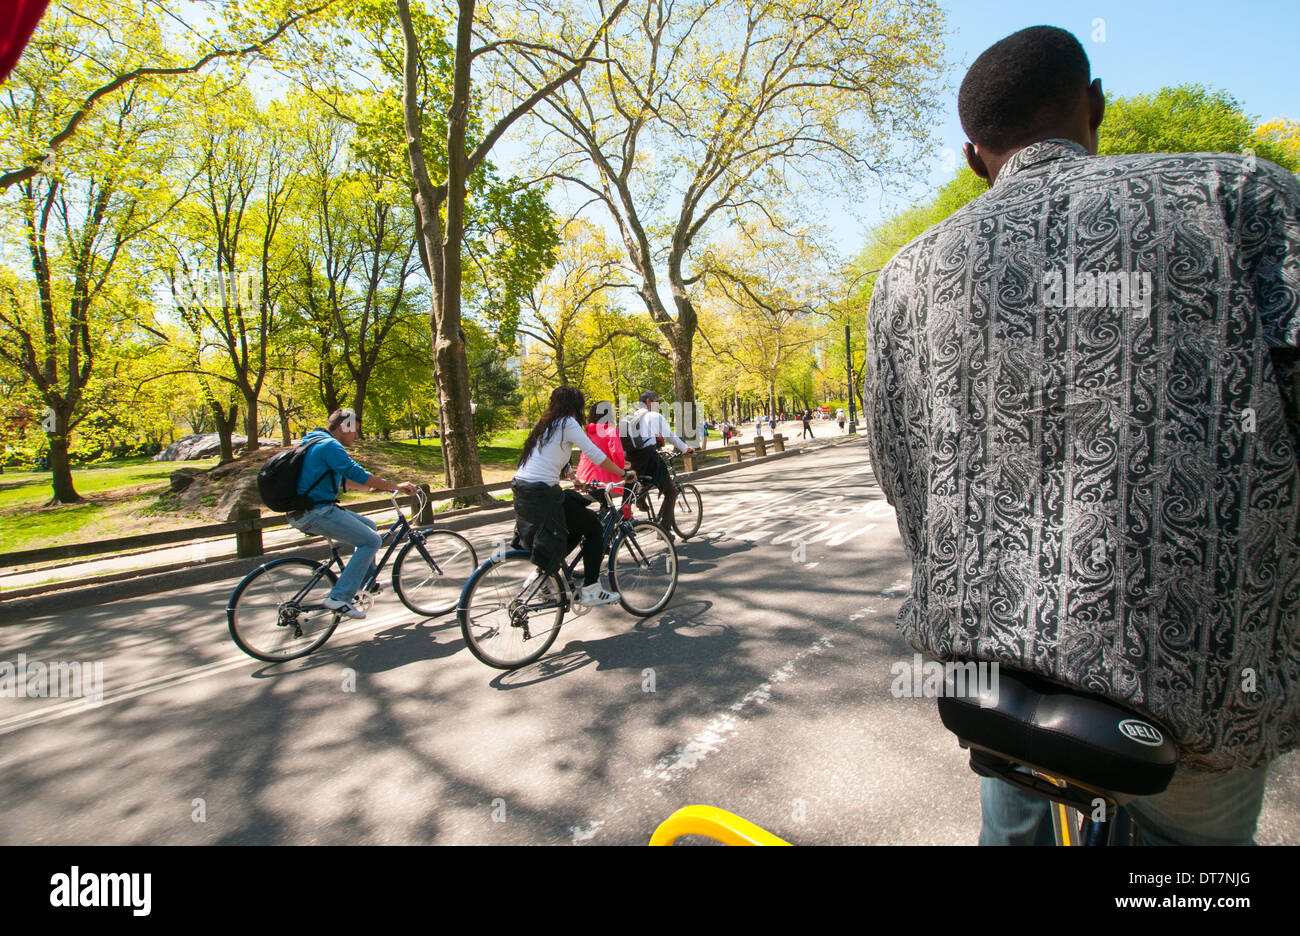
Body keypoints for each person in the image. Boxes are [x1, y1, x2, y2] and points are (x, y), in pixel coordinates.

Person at [863, 25, 1300, 846]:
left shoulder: (904, 278)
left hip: (988, 675)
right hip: (1196, 690)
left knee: (1013, 814)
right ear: (1096, 103)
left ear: (973, 159)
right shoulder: (1238, 195)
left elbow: (898, 467)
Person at [286, 409, 418, 619]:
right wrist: (396, 486)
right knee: (372, 541)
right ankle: (340, 597)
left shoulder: (313, 443)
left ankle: (366, 583)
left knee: (369, 528)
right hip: (317, 512)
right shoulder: (329, 446)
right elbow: (356, 472)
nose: (357, 437)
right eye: (355, 431)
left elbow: (340, 480)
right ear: (342, 427)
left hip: (307, 510)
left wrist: (374, 488)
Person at [513, 387, 637, 605]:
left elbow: (552, 455)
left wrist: (572, 478)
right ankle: (591, 589)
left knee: (572, 527)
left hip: (524, 488)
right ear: (575, 406)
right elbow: (594, 453)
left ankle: (543, 575)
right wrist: (623, 473)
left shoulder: (547, 424)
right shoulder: (567, 423)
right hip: (543, 492)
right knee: (593, 528)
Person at [620, 390, 694, 537]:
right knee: (671, 491)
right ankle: (664, 530)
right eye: (657, 401)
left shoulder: (627, 418)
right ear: (648, 402)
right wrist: (686, 448)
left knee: (629, 489)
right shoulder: (654, 416)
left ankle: (623, 519)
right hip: (648, 456)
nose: (658, 405)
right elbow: (669, 436)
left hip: (631, 459)